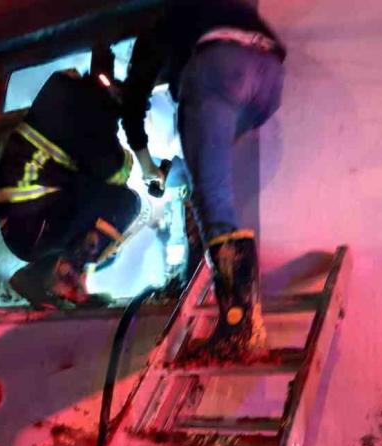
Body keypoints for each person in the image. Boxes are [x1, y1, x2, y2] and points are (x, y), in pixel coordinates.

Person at [122, 0, 286, 358]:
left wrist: (145, 162)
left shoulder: (161, 24)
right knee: (212, 177)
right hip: (269, 76)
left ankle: (239, 329)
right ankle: (240, 316)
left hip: (219, 66)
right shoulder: (206, 10)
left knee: (210, 195)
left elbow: (132, 99)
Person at [0, 50, 140, 309]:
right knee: (127, 203)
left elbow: (95, 181)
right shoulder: (93, 120)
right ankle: (65, 277)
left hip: (25, 222)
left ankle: (47, 274)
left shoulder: (71, 95)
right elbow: (114, 172)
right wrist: (134, 162)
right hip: (29, 226)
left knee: (113, 210)